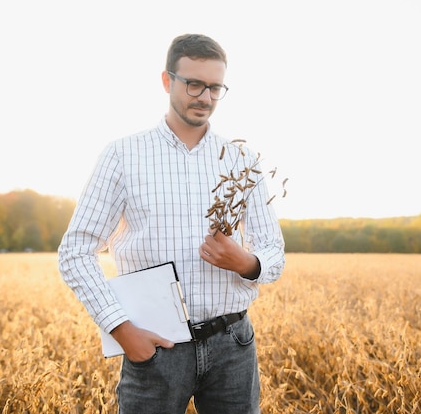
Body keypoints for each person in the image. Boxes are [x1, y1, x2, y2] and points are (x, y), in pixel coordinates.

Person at [58, 33, 285, 414]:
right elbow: (75, 252)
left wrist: (244, 262)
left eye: (215, 87)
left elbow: (273, 250)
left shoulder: (242, 159)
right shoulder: (123, 154)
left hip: (233, 344)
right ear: (167, 81)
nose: (206, 97)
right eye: (194, 84)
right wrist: (123, 331)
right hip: (156, 348)